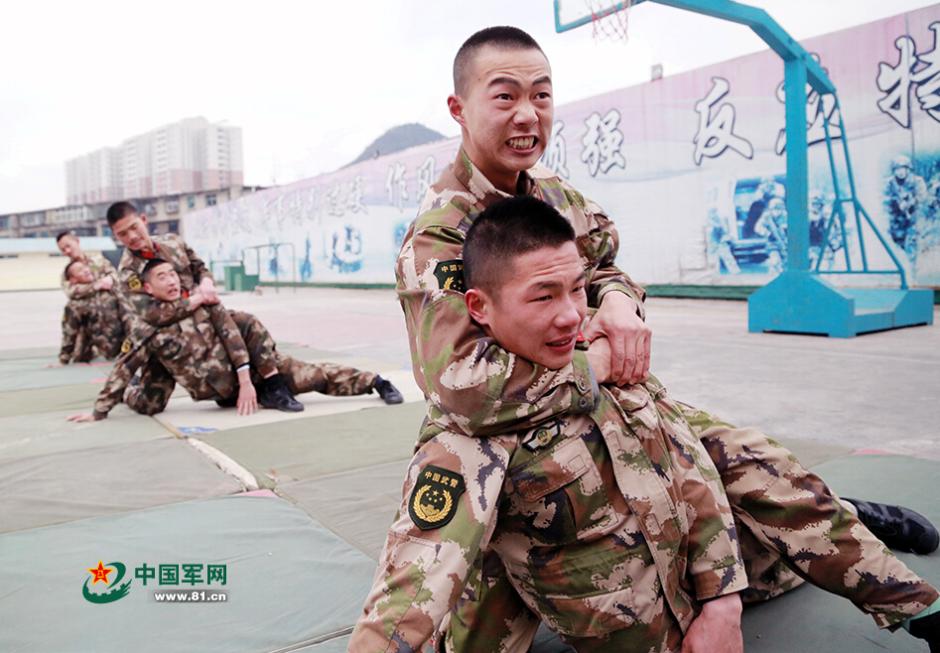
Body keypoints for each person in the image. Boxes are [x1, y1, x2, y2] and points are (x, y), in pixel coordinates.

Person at [393, 25, 939, 650]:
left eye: (542, 96)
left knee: (751, 463)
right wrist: (596, 357)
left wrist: (620, 304)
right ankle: (778, 534)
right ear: (459, 110)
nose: (527, 114)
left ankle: (878, 566)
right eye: (505, 96)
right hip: (514, 448)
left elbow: (604, 266)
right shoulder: (440, 236)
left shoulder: (554, 196)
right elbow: (464, 387)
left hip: (611, 404)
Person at [351, 197, 749, 652]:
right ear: (478, 307)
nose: (572, 316)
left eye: (578, 289)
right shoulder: (474, 438)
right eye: (543, 296)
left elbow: (690, 471)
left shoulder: (605, 367)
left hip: (720, 578)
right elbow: (405, 600)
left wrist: (723, 600)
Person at [67, 259, 403, 422]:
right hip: (215, 391)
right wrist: (98, 411)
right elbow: (123, 366)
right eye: (160, 277)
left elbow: (235, 339)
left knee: (314, 376)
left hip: (252, 375)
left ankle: (375, 382)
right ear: (149, 288)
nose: (169, 280)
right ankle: (132, 394)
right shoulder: (147, 326)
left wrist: (248, 382)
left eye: (172, 274)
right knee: (147, 404)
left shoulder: (208, 305)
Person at [55, 231, 127, 364]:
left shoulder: (99, 260)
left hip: (114, 323)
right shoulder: (68, 272)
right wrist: (97, 285)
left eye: (68, 246)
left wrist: (110, 279)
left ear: (77, 241)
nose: (67, 251)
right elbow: (71, 291)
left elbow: (116, 277)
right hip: (89, 330)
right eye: (63, 250)